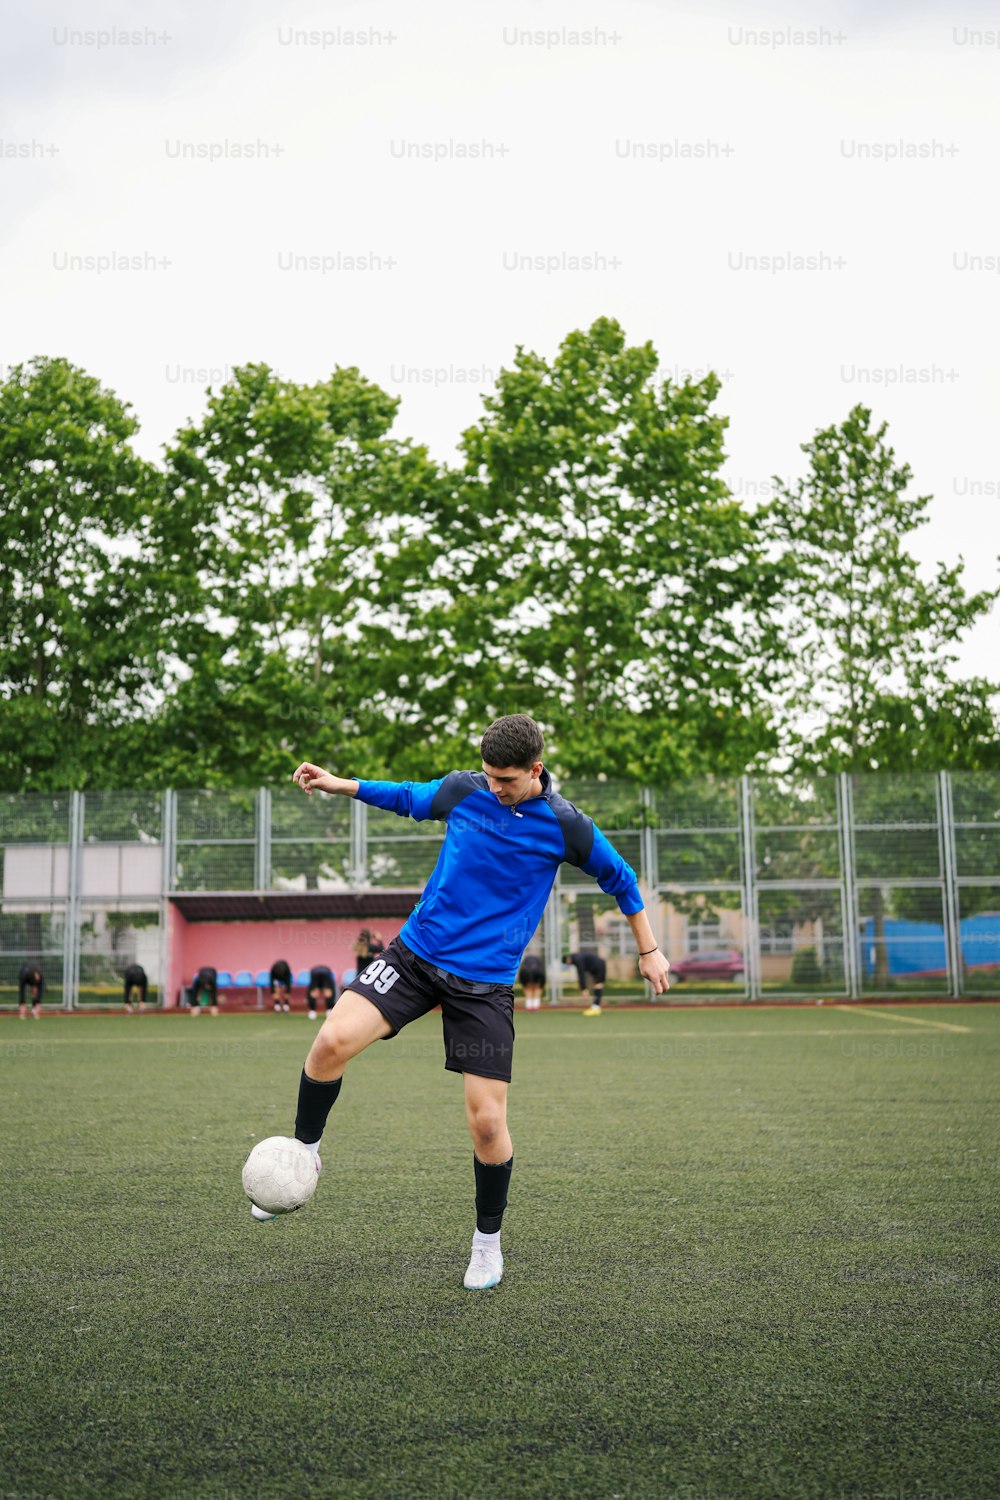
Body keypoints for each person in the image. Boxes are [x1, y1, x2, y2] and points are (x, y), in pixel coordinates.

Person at [271, 713, 671, 1292]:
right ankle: (304, 1156)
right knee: (329, 1042)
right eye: (488, 775)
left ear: (535, 770)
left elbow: (623, 880)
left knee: (487, 1124)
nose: (494, 787)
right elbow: (409, 796)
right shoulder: (466, 789)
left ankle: (487, 1244)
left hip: (484, 985)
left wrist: (649, 950)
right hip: (415, 956)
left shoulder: (566, 826)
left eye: (505, 780)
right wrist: (340, 784)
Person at [563, 949, 607, 1016]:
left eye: (567, 963)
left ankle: (596, 1008)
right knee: (596, 985)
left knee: (598, 985)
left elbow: (581, 974)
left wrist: (583, 988)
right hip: (596, 967)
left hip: (599, 966)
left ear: (568, 960)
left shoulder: (577, 959)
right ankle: (595, 1006)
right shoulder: (576, 957)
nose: (569, 965)